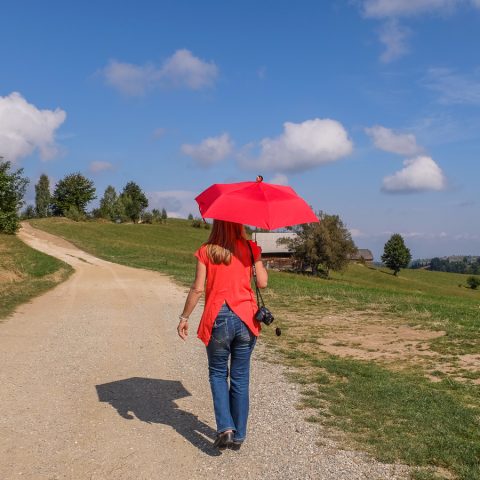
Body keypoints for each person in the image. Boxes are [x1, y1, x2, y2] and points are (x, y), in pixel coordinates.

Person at [177, 220, 268, 450]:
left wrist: (184, 317)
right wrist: (256, 260)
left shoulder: (206, 251)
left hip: (218, 317)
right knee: (240, 377)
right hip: (246, 319)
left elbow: (198, 288)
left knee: (218, 374)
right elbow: (262, 283)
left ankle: (226, 428)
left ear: (217, 224)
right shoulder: (250, 248)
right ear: (238, 223)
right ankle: (239, 436)